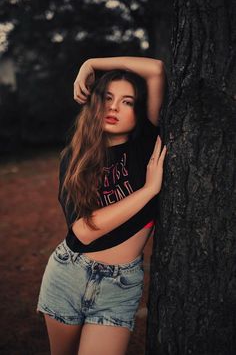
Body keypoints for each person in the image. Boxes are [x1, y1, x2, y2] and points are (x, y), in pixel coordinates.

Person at [37, 56, 167, 355]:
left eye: (127, 102)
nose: (113, 107)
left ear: (138, 111)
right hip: (69, 273)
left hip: (119, 284)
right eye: (107, 98)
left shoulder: (146, 142)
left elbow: (156, 69)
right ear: (95, 104)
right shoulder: (75, 158)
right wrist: (148, 191)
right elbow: (83, 230)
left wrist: (91, 64)